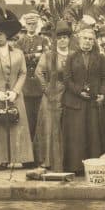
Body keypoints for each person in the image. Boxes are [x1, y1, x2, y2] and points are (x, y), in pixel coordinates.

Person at [0, 7, 35, 168]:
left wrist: (15, 91)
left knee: (18, 124)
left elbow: (23, 73)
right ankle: (3, 159)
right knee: (0, 127)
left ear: (7, 35)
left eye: (1, 34)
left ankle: (22, 157)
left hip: (15, 95)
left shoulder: (18, 53)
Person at [61, 26, 105, 174]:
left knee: (92, 135)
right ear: (79, 40)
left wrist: (102, 93)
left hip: (92, 102)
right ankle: (75, 167)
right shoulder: (71, 57)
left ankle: (93, 167)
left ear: (94, 42)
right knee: (76, 135)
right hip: (75, 102)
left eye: (90, 39)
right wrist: (79, 91)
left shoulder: (100, 57)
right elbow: (66, 79)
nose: (87, 42)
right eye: (85, 39)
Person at [34, 20, 72, 169]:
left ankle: (66, 160)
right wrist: (46, 88)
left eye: (65, 37)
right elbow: (39, 72)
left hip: (70, 93)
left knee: (67, 126)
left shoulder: (74, 54)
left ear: (69, 39)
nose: (62, 40)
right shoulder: (49, 55)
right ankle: (47, 160)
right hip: (52, 93)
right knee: (49, 125)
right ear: (54, 40)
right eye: (59, 37)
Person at [15, 12, 50, 151]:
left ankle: (38, 153)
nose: (31, 26)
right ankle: (27, 154)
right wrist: (35, 56)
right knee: (27, 120)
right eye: (29, 24)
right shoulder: (20, 41)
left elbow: (46, 57)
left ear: (37, 25)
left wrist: (30, 57)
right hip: (25, 85)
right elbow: (19, 59)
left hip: (39, 84)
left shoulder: (43, 41)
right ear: (25, 24)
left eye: (34, 24)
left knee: (39, 120)